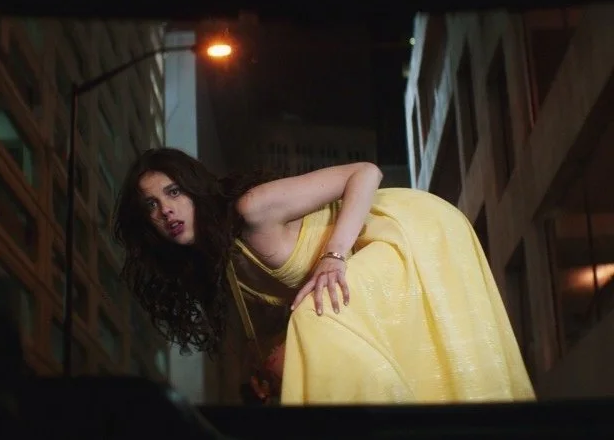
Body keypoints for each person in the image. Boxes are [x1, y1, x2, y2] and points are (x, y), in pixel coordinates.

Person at [113, 148, 535, 405]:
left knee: (317, 318)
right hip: (361, 251)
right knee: (308, 332)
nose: (166, 210)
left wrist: (333, 256)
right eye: (151, 205)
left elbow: (365, 172)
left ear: (195, 190)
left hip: (404, 228)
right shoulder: (219, 261)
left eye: (173, 192)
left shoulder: (252, 208)